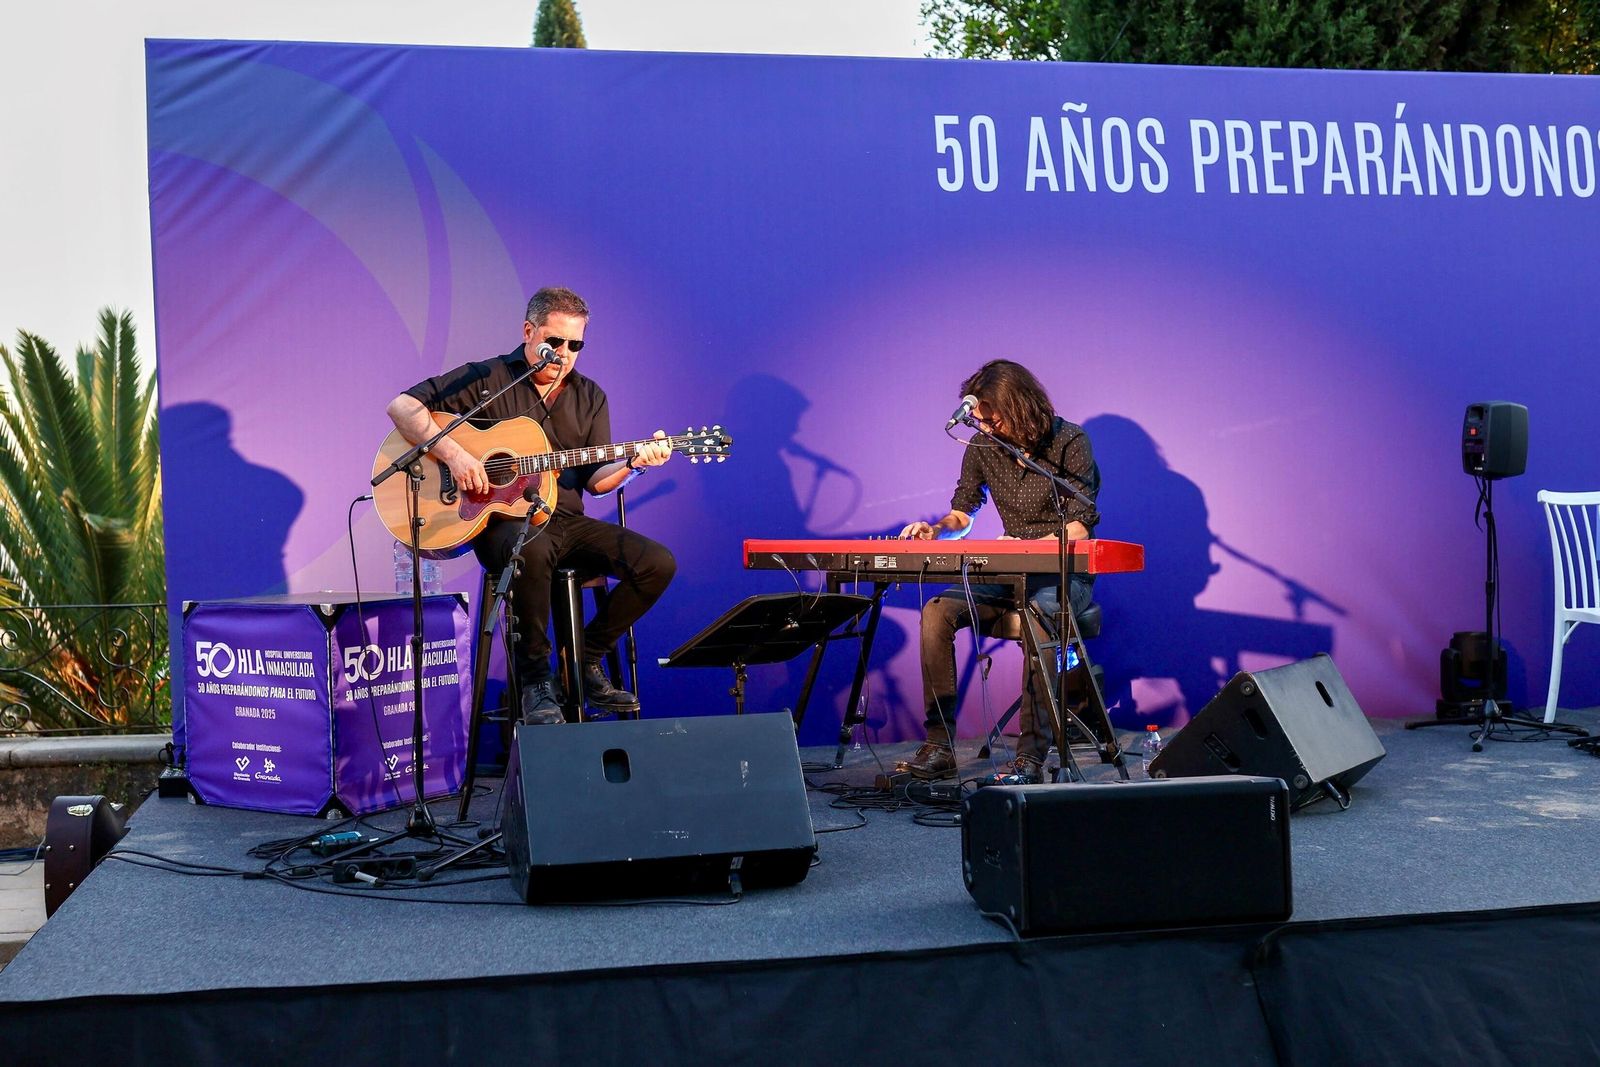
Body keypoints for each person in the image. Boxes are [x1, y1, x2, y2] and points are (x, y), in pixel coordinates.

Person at [385, 287, 676, 724]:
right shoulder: (488, 378)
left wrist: (635, 465)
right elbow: (402, 407)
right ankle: (535, 680)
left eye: (575, 345)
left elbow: (597, 482)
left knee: (657, 562)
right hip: (502, 523)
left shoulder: (589, 395)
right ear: (529, 332)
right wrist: (457, 456)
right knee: (531, 549)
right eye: (555, 342)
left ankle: (581, 662)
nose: (564, 354)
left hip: (567, 521)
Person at [898, 359, 1099, 785]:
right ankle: (938, 745)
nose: (986, 428)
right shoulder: (982, 445)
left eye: (994, 419)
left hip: (1063, 577)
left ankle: (1030, 757)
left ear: (1020, 407)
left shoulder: (1070, 441)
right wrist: (935, 531)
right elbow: (963, 513)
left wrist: (1029, 549)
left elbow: (1080, 524)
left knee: (1041, 614)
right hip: (1008, 574)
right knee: (937, 610)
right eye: (981, 421)